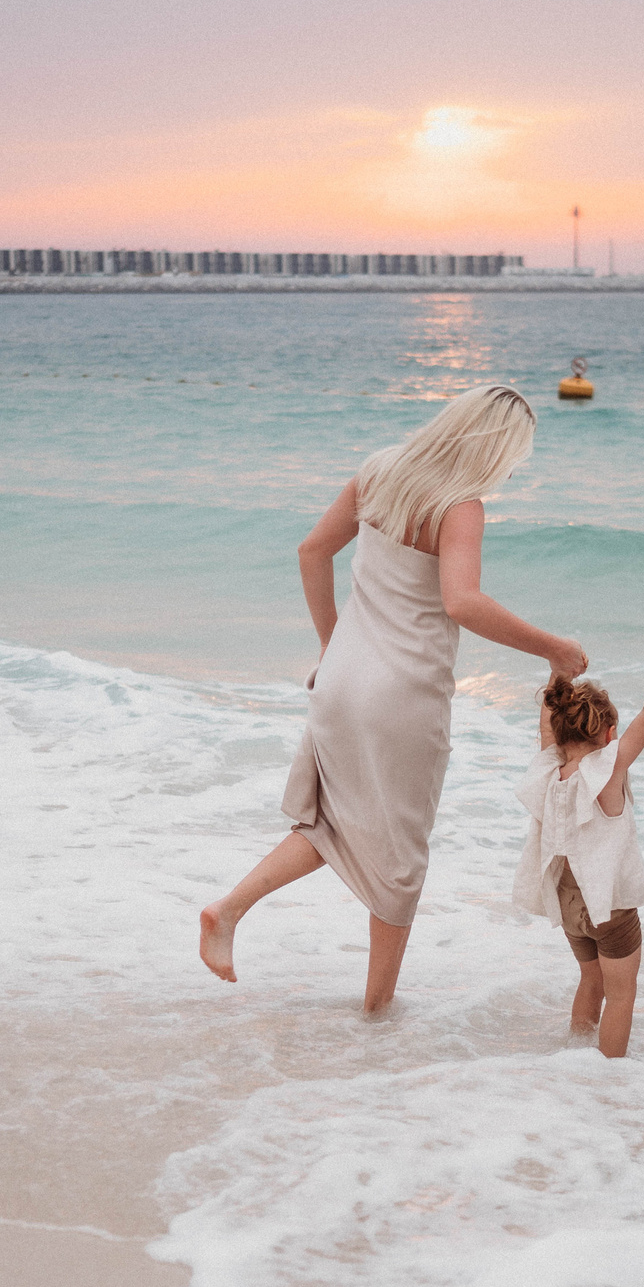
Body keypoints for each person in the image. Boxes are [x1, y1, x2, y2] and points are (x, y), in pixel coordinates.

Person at [201, 385, 588, 1011]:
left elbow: (312, 551)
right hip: (401, 699)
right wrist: (554, 649)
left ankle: (227, 910)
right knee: (400, 864)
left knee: (329, 825)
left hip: (341, 684)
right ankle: (375, 1014)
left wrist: (333, 650)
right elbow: (462, 602)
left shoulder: (379, 470)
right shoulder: (459, 506)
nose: (513, 468)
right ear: (493, 447)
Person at [512, 643, 644, 1058]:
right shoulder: (610, 767)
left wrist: (558, 670)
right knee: (621, 997)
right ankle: (608, 1076)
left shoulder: (550, 768)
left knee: (591, 979)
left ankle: (577, 1050)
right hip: (610, 910)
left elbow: (547, 726)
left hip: (568, 904)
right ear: (608, 735)